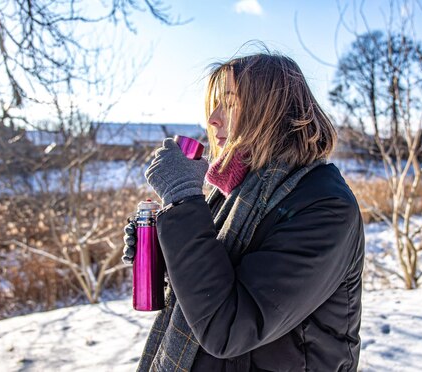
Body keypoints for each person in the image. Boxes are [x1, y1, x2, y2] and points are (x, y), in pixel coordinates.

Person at [123, 51, 365, 371]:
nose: (213, 119)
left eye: (230, 103)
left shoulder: (324, 207)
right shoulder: (241, 190)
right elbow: (218, 280)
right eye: (214, 105)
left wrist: (183, 200)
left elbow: (230, 327)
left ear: (271, 112)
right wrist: (168, 250)